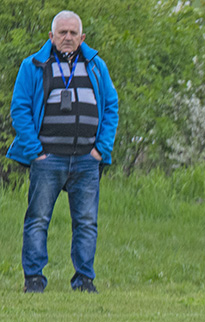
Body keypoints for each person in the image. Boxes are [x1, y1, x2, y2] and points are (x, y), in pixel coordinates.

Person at [7, 10, 119, 293]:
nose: (67, 38)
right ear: (51, 36)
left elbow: (111, 107)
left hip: (86, 160)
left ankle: (84, 280)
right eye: (62, 33)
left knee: (86, 222)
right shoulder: (33, 65)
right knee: (38, 219)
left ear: (82, 37)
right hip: (47, 158)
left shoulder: (96, 66)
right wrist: (35, 151)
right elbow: (19, 108)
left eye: (72, 33)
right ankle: (33, 279)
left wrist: (101, 150)